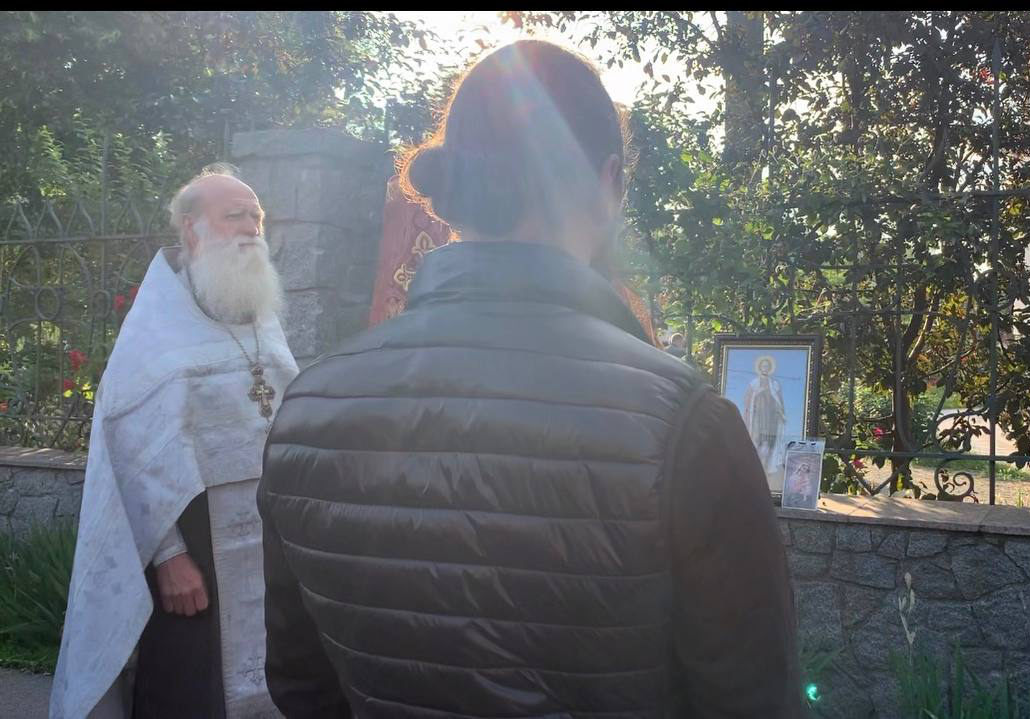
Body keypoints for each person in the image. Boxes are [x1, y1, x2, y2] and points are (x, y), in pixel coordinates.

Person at [257, 39, 802, 718]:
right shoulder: (684, 425)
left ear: (455, 190)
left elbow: (301, 687)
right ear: (610, 183)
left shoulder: (307, 411)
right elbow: (754, 699)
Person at [50, 165, 297, 719]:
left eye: (256, 216)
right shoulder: (155, 327)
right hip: (194, 546)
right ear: (191, 228)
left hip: (270, 542)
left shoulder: (257, 309)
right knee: (190, 689)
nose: (251, 228)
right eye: (234, 216)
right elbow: (129, 452)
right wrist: (169, 558)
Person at [742, 355, 787, 473]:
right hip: (758, 417)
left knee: (770, 442)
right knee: (758, 440)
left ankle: (767, 466)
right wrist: (757, 393)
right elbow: (747, 400)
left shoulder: (774, 383)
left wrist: (781, 413)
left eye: (767, 366)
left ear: (770, 368)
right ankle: (756, 467)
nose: (765, 368)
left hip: (772, 417)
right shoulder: (754, 383)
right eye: (763, 366)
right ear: (760, 368)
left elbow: (779, 400)